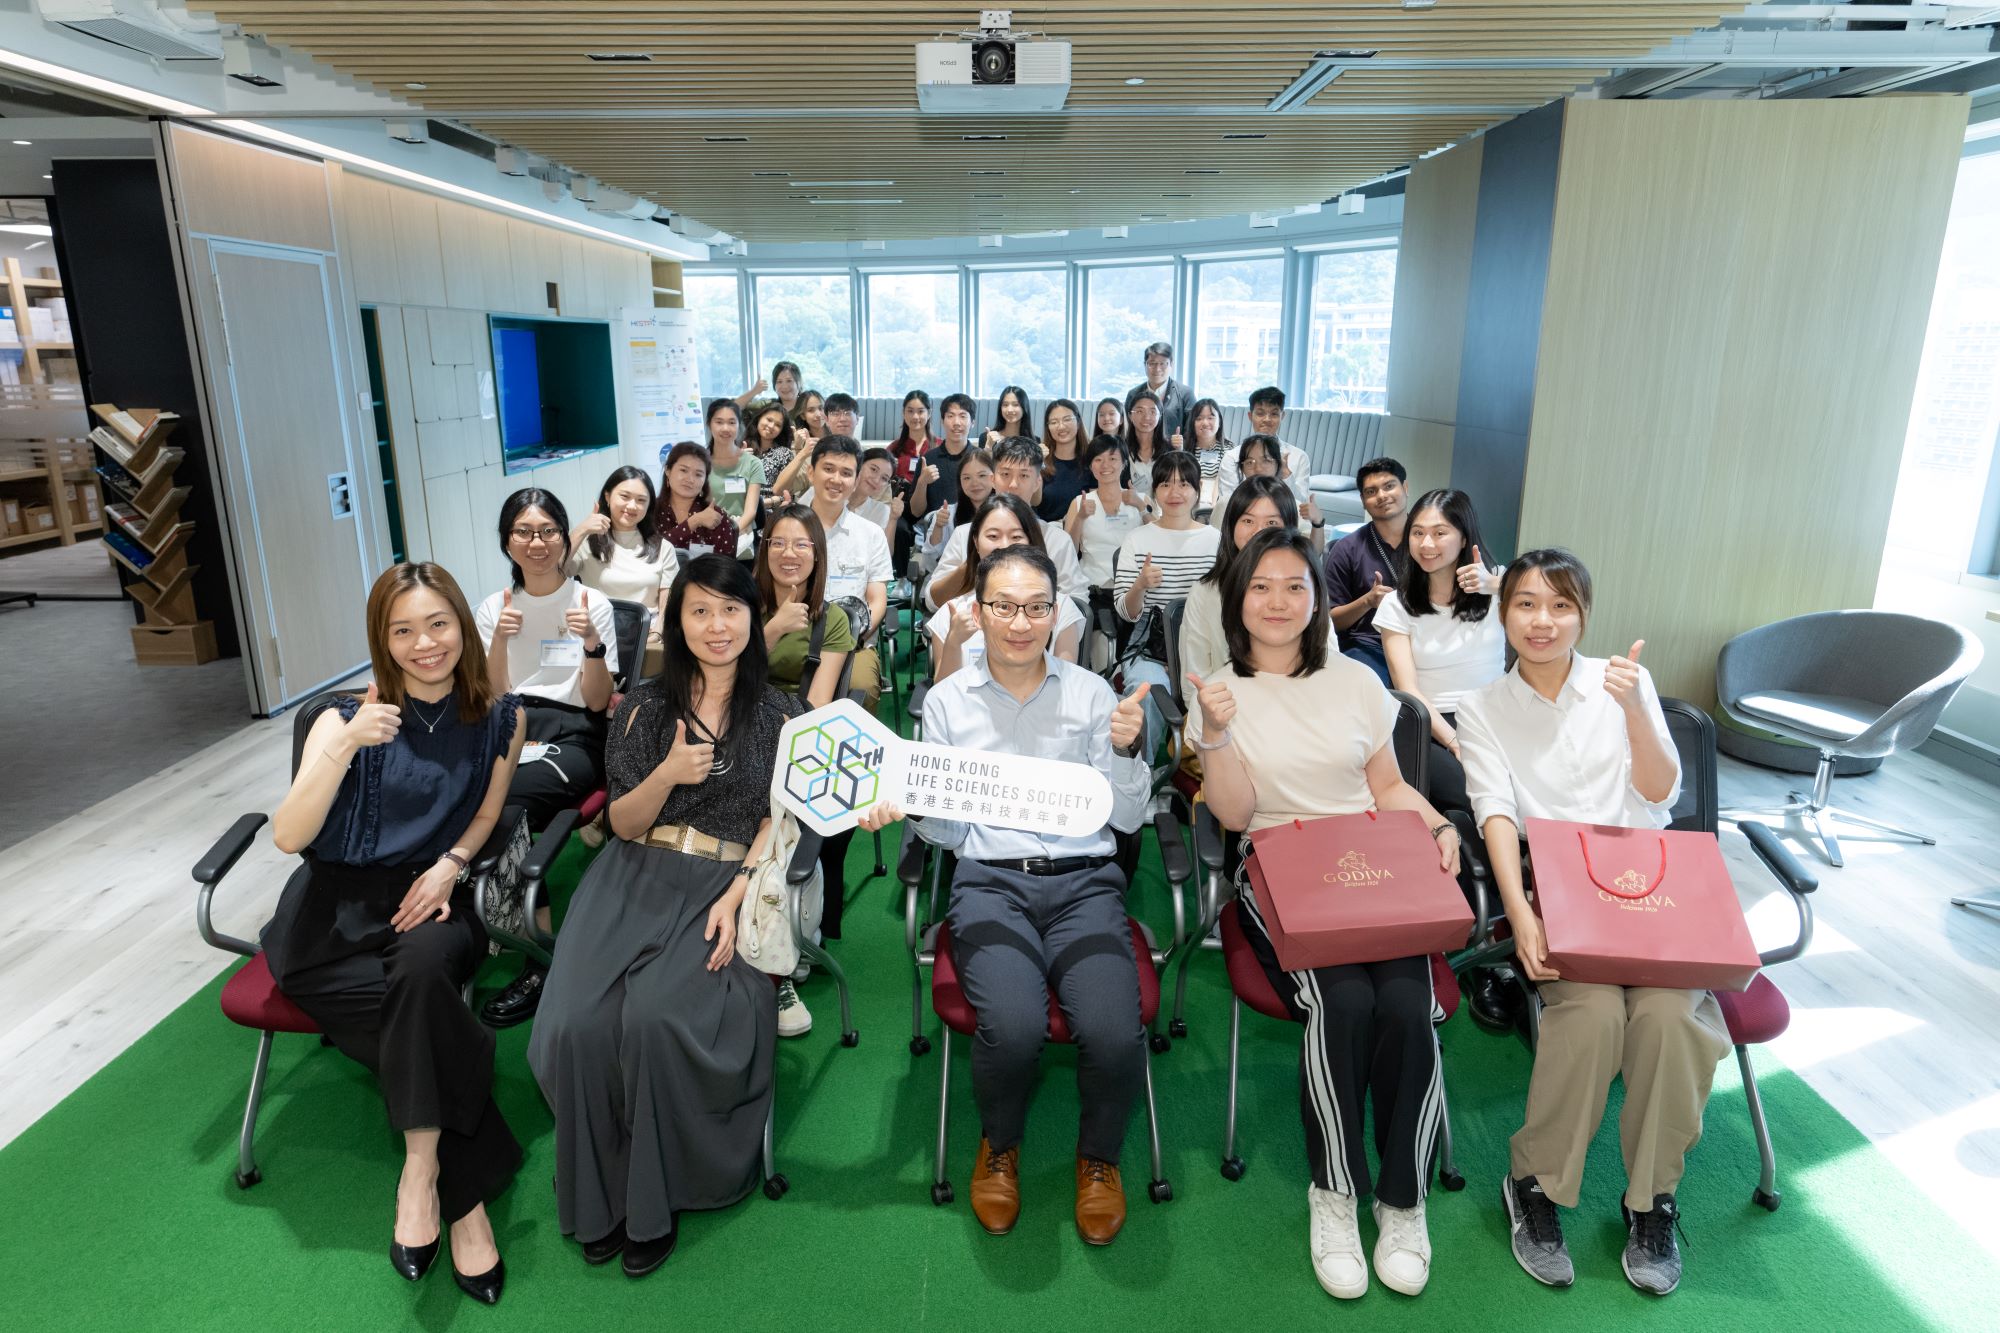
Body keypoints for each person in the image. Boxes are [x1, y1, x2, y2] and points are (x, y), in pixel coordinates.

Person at [1189, 527, 1462, 1301]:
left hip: (1372, 864)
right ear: (1238, 600)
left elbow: (1387, 789)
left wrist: (1437, 826)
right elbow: (1237, 814)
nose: (1278, 601)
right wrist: (1213, 731)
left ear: (1317, 599)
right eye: (1261, 586)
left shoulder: (1355, 683)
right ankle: (1336, 1193)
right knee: (1340, 1000)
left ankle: (1402, 1201)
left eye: (1295, 586)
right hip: (1281, 868)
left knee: (1409, 1001)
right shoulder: (1218, 688)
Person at [857, 544, 1153, 1246]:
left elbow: (1130, 818)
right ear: (977, 610)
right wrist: (910, 805)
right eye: (1004, 606)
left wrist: (1124, 751)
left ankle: (1100, 1159)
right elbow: (950, 828)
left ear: (1058, 611)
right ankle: (999, 1145)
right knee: (1013, 1027)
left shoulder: (1092, 694)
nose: (1020, 622)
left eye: (1036, 607)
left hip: (1085, 885)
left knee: (1114, 1031)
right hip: (991, 883)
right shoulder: (947, 702)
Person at [1454, 549, 1722, 1299]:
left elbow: (1662, 789)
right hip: (1564, 893)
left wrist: (1638, 707)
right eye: (1527, 604)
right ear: (1503, 614)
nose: (1543, 621)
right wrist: (1521, 911)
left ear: (1584, 614)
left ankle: (1652, 1201)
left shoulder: (1621, 683)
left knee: (1671, 1017)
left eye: (1561, 605)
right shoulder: (1482, 707)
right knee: (1596, 1013)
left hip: (1651, 889)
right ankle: (1533, 1184)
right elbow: (1495, 814)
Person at [528, 555, 798, 1279]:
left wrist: (740, 891)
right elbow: (619, 820)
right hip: (633, 872)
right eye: (700, 610)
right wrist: (667, 775)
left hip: (724, 879)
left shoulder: (781, 715)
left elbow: (783, 819)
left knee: (655, 1017)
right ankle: (597, 1193)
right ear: (676, 621)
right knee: (577, 1024)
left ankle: (656, 1197)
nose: (717, 625)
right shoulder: (645, 705)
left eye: (732, 609)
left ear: (752, 618)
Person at [264, 561, 525, 1305]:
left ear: (462, 627)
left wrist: (449, 866)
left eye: (438, 623)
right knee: (425, 1016)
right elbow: (288, 835)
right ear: (382, 638)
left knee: (418, 975)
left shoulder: (502, 718)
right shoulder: (337, 714)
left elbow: (483, 815)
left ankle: (419, 1173)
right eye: (402, 629)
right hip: (333, 915)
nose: (425, 643)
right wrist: (346, 744)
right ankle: (466, 1196)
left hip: (434, 899)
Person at [474, 488, 620, 1028]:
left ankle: (538, 947)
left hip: (574, 732)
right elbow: (491, 695)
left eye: (547, 531)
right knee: (465, 785)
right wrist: (497, 643)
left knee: (506, 795)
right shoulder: (495, 607)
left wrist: (591, 649)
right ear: (507, 542)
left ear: (564, 536)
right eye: (523, 532)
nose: (536, 543)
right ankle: (478, 916)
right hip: (509, 721)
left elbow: (601, 701)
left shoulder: (591, 604)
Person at [755, 504, 855, 1033]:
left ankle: (781, 957)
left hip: (793, 744)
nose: (789, 555)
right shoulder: (738, 605)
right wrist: (767, 633)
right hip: (731, 733)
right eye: (778, 543)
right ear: (764, 548)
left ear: (817, 555)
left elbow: (814, 710)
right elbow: (713, 684)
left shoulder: (831, 619)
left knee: (782, 835)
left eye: (802, 545)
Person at [1376, 489, 1504, 820]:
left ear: (1464, 538)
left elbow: (1555, 601)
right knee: (1477, 796)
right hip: (1431, 726)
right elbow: (1408, 690)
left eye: (1440, 533)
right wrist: (1455, 742)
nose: (1427, 544)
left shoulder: (1501, 588)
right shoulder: (1397, 605)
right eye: (1418, 533)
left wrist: (1495, 587)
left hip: (1497, 719)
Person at [1112, 450, 1220, 761]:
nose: (1175, 493)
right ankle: (1144, 777)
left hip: (1204, 644)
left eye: (1184, 484)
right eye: (1166, 484)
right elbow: (1126, 611)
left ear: (1198, 490)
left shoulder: (1215, 540)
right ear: (1155, 490)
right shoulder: (1138, 538)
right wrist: (1140, 585)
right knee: (1148, 691)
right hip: (1150, 645)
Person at [926, 493, 1086, 679]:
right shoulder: (952, 613)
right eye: (993, 536)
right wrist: (953, 642)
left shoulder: (1061, 607)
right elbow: (943, 695)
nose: (1004, 546)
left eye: (1016, 536)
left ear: (1031, 541)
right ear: (976, 543)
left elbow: (1066, 686)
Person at [923, 436, 1085, 610]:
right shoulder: (965, 534)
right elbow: (933, 601)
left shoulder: (1057, 540)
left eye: (1024, 475)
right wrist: (972, 563)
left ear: (1037, 482)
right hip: (974, 632)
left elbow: (1077, 601)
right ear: (993, 479)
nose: (1013, 484)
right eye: (1005, 474)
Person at [1179, 475, 1297, 695]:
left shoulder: (1306, 591)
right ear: (1231, 526)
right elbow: (1195, 683)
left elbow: (1326, 658)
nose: (1258, 532)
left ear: (1289, 527)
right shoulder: (1206, 593)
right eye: (1248, 521)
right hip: (1227, 713)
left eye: (1271, 523)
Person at [802, 435, 892, 709]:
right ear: (811, 472)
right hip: (796, 634)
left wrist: (856, 635)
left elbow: (877, 599)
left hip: (856, 641)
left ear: (855, 481)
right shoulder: (787, 526)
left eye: (846, 473)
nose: (836, 479)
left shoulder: (871, 534)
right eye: (828, 469)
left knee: (861, 687)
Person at [569, 465, 679, 680]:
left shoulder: (662, 546)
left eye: (641, 500)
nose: (632, 506)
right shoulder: (588, 541)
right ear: (608, 497)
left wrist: (657, 632)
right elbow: (557, 570)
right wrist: (582, 530)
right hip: (596, 634)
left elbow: (669, 596)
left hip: (646, 637)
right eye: (625, 496)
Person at [1322, 456, 1410, 686]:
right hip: (1369, 645)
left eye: (1389, 486)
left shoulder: (1430, 542)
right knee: (1368, 690)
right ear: (1362, 501)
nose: (1382, 496)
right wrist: (1368, 602)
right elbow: (1329, 620)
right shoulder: (1347, 549)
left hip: (1425, 641)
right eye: (1371, 492)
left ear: (1405, 488)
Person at [1065, 434, 1146, 665]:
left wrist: (1141, 507)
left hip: (1134, 590)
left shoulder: (1139, 500)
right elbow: (1070, 551)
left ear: (1124, 463)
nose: (1105, 466)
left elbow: (1159, 540)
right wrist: (1080, 518)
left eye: (1112, 458)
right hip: (1094, 591)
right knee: (1104, 657)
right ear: (1090, 465)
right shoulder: (1079, 502)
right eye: (1098, 460)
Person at [1214, 435, 1323, 549]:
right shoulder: (1226, 503)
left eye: (1266, 461)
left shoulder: (1291, 504)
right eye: (1250, 462)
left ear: (1277, 465)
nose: (1258, 468)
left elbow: (1313, 551)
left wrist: (1317, 523)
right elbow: (1216, 546)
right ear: (1242, 468)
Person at [1216, 388, 1313, 507]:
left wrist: (1285, 475)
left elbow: (1301, 506)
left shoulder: (1299, 457)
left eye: (1274, 414)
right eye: (1260, 413)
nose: (1267, 420)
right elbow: (1227, 503)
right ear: (1250, 416)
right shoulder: (1232, 457)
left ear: (1282, 416)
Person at [915, 445, 994, 581]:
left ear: (994, 478)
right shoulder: (948, 513)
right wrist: (938, 528)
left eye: (982, 475)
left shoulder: (1006, 513)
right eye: (966, 478)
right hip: (955, 585)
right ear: (960, 482)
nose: (975, 483)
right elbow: (929, 564)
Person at [658, 441, 739, 562]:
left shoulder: (716, 516)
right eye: (684, 470)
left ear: (705, 480)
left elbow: (725, 567)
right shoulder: (651, 510)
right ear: (668, 470)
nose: (690, 479)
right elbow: (653, 553)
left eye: (698, 474)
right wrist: (694, 521)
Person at [704, 398, 763, 554]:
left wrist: (730, 531)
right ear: (709, 424)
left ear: (739, 425)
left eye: (731, 422)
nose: (725, 428)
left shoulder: (753, 463)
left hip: (740, 535)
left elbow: (750, 512)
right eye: (719, 422)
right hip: (705, 535)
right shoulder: (698, 463)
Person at [910, 391, 978, 523]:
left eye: (963, 416)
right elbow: (916, 511)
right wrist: (922, 482)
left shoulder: (980, 459)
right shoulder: (928, 459)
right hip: (936, 532)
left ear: (973, 422)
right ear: (942, 421)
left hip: (972, 530)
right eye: (950, 416)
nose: (956, 422)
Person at [1125, 340, 1194, 439]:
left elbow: (1191, 431)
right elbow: (1127, 429)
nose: (1157, 369)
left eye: (1163, 364)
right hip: (1138, 451)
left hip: (1173, 452)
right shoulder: (1133, 394)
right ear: (1145, 365)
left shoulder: (1185, 394)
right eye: (1152, 364)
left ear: (1171, 364)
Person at [1036, 397, 1088, 523]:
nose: (1061, 426)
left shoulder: (1091, 461)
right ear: (1048, 428)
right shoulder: (1040, 461)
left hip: (1083, 534)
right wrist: (1036, 466)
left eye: (1067, 419)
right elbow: (1033, 501)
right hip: (1046, 533)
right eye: (1053, 422)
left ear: (1078, 422)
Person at [1122, 390, 1169, 514]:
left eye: (1153, 411)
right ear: (1130, 416)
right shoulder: (1121, 450)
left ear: (1160, 416)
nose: (1146, 417)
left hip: (1164, 515)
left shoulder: (1170, 452)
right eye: (1139, 411)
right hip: (1129, 514)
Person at [1186, 396, 1229, 515]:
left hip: (1218, 504)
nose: (1205, 423)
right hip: (1188, 502)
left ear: (1219, 421)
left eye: (1210, 418)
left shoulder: (1229, 450)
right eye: (1199, 418)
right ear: (1192, 423)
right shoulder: (1184, 448)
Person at [745, 400, 796, 489]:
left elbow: (785, 492)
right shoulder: (741, 447)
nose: (771, 426)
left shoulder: (784, 453)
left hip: (770, 501)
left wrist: (766, 502)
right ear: (759, 418)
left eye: (778, 425)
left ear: (781, 431)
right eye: (769, 420)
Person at [735, 358, 801, 414]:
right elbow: (733, 408)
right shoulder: (768, 406)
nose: (784, 386)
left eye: (789, 381)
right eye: (779, 382)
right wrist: (754, 391)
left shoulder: (807, 405)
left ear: (799, 383)